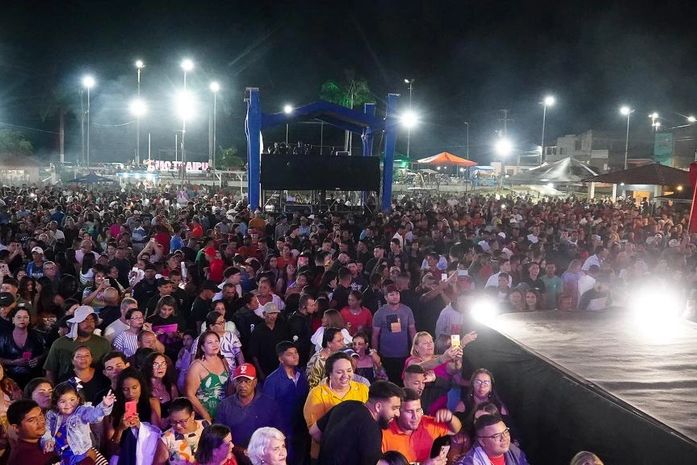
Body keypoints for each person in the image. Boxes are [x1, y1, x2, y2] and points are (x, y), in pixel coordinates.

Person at [309, 380, 404, 465]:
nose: (398, 414)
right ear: (378, 407)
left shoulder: (345, 405)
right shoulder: (371, 429)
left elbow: (314, 432)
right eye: (394, 408)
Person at [304, 351, 370, 461]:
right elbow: (315, 432)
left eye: (349, 370)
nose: (345, 376)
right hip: (327, 454)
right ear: (329, 373)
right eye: (339, 372)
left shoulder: (363, 389)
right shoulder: (317, 394)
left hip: (357, 454)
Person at [41, 380, 115, 465]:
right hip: (61, 455)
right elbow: (46, 429)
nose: (68, 404)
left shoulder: (82, 412)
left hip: (82, 453)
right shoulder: (52, 414)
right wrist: (47, 440)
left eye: (72, 400)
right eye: (63, 401)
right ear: (56, 403)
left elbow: (94, 415)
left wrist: (104, 405)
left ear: (78, 399)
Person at [381, 387, 461, 464]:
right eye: (409, 411)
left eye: (418, 410)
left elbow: (455, 430)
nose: (415, 416)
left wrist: (450, 418)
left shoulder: (427, 423)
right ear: (398, 412)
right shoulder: (384, 434)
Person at [215, 363, 282, 451]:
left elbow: (278, 433)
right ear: (234, 383)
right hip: (234, 453)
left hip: (264, 453)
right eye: (239, 381)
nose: (242, 385)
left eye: (247, 381)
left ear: (255, 382)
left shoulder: (269, 404)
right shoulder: (224, 406)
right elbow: (219, 436)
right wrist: (238, 451)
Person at [261, 341, 309, 465]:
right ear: (281, 359)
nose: (295, 356)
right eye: (289, 354)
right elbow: (267, 409)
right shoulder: (272, 380)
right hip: (283, 431)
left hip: (302, 428)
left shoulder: (302, 376)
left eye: (296, 352)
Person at [405, 331, 468, 415]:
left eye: (431, 342)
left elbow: (455, 369)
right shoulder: (412, 360)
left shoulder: (441, 358)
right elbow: (416, 368)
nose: (429, 345)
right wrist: (444, 358)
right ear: (416, 347)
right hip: (420, 409)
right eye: (425, 343)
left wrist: (457, 360)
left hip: (441, 410)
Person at [106, 367, 162, 461]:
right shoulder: (114, 407)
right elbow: (111, 449)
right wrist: (120, 429)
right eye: (125, 389)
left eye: (134, 387)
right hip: (122, 456)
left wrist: (140, 426)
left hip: (146, 455)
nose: (131, 393)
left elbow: (157, 436)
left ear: (141, 386)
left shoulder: (152, 402)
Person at [43, 306, 111, 383]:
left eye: (92, 320)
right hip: (66, 387)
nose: (89, 323)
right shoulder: (59, 343)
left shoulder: (103, 343)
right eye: (84, 320)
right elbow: (50, 371)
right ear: (76, 323)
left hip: (97, 387)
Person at [372, 284, 416, 384]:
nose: (395, 296)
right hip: (386, 355)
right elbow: (375, 336)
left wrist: (415, 349)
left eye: (397, 294)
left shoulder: (407, 310)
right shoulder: (379, 313)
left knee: (402, 382)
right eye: (391, 294)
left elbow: (412, 331)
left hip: (404, 354)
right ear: (386, 297)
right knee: (388, 383)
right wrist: (375, 353)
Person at [185, 330, 229, 423]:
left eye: (216, 341)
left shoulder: (223, 360)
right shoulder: (196, 366)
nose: (214, 345)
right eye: (210, 342)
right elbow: (190, 394)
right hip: (205, 416)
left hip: (224, 414)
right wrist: (206, 416)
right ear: (203, 348)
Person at [454, 414, 529, 465]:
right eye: (496, 436)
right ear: (482, 441)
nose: (504, 438)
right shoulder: (470, 462)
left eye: (506, 431)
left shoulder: (514, 451)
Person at [153, 397, 209, 465]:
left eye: (182, 421)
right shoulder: (167, 438)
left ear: (192, 415)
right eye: (173, 422)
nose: (178, 426)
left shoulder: (205, 426)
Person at [0, 306, 46, 386]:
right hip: (10, 378)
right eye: (19, 317)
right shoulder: (3, 337)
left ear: (29, 320)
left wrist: (37, 359)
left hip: (33, 377)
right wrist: (13, 362)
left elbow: (46, 352)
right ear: (13, 320)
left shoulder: (37, 336)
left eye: (25, 317)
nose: (22, 319)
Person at [7, 399, 59, 465]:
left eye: (40, 415)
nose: (41, 421)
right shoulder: (23, 458)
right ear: (16, 428)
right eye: (31, 420)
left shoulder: (47, 439)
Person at [248, 302, 290, 381]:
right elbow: (254, 355)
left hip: (281, 367)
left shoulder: (282, 328)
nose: (273, 316)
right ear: (264, 314)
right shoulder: (258, 331)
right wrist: (260, 373)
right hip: (265, 369)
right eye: (270, 313)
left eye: (275, 313)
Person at [143, 352, 179, 424]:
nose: (160, 367)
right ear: (149, 366)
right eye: (156, 364)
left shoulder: (171, 388)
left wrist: (168, 419)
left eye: (163, 363)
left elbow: (178, 410)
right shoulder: (143, 389)